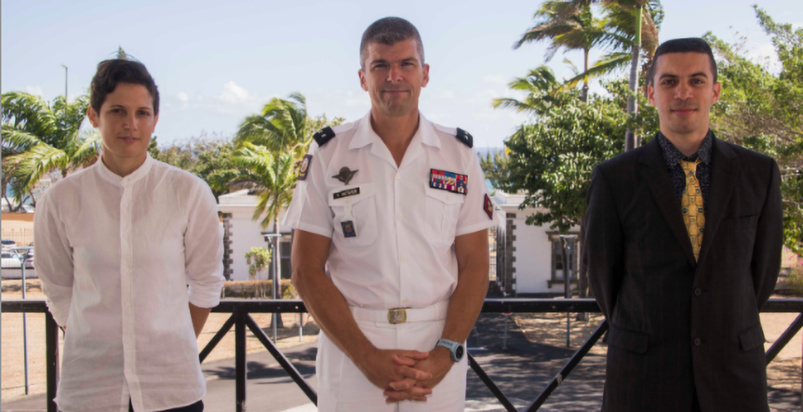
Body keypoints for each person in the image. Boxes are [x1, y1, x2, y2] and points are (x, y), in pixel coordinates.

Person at [283, 16, 493, 411]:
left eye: (406, 64)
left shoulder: (458, 154)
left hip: (437, 347)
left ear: (424, 74)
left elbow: (476, 264)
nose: (393, 76)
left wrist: (446, 351)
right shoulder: (329, 154)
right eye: (380, 65)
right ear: (363, 77)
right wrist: (365, 356)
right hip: (352, 343)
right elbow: (305, 270)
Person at [584, 37, 783, 412]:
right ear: (650, 93)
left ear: (716, 91)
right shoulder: (614, 179)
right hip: (644, 379)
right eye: (669, 81)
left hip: (734, 377)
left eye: (696, 80)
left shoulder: (760, 173)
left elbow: (763, 272)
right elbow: (603, 277)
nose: (683, 92)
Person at [34, 58, 225, 412]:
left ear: (155, 119)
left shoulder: (188, 192)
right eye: (118, 111)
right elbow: (58, 289)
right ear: (94, 116)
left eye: (143, 112)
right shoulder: (60, 200)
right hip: (90, 390)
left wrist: (167, 347)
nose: (131, 124)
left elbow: (206, 283)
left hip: (172, 389)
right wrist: (98, 342)